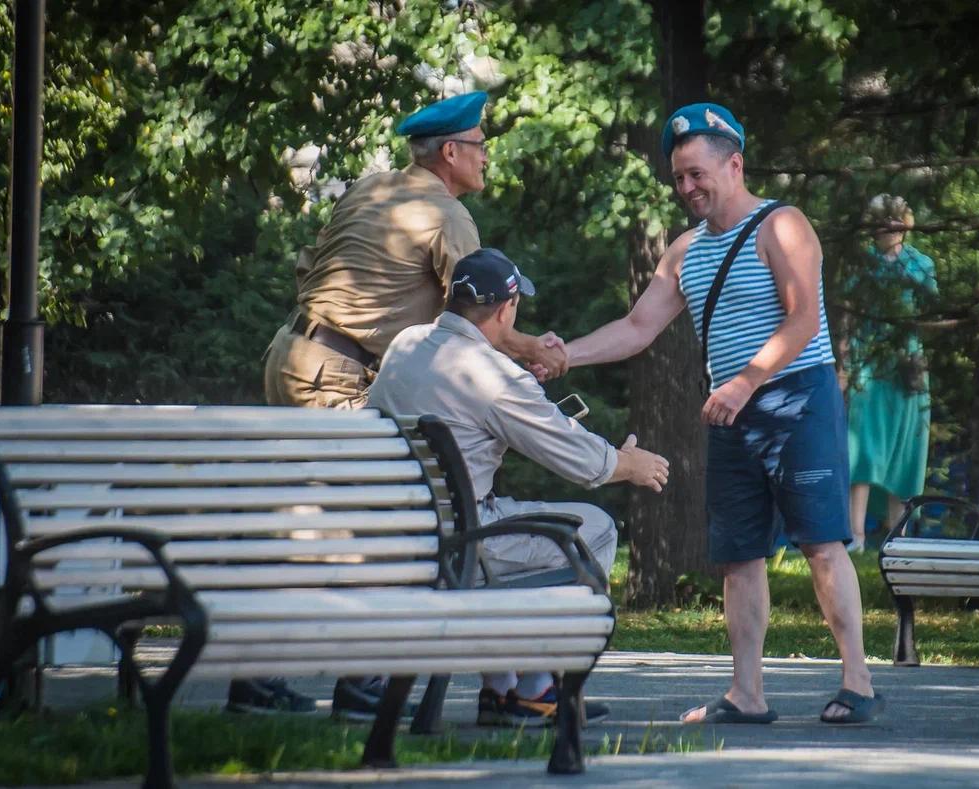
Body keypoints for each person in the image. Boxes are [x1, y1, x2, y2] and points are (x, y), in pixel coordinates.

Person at [232, 91, 567, 719]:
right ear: (451, 152)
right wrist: (533, 350)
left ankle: (256, 676)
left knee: (308, 516)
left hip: (292, 353)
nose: (488, 156)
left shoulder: (371, 188)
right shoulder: (447, 217)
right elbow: (474, 315)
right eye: (480, 144)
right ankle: (362, 685)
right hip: (338, 376)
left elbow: (317, 271)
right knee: (383, 522)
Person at [561, 102, 883, 724]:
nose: (687, 188)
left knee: (821, 542)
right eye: (678, 177)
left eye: (697, 173)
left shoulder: (781, 226)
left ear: (734, 164)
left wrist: (745, 381)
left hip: (796, 399)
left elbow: (803, 319)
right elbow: (636, 328)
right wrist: (561, 358)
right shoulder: (684, 251)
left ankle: (859, 682)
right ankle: (746, 695)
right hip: (733, 415)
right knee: (739, 557)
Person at [367, 247, 670, 726]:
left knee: (502, 516)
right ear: (507, 309)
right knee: (595, 529)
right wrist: (629, 463)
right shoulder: (495, 377)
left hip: (399, 534)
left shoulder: (406, 344)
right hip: (454, 543)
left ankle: (499, 686)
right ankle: (535, 690)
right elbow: (582, 462)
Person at [846, 194, 938, 552]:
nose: (888, 227)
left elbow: (930, 316)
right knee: (862, 447)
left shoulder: (921, 264)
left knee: (906, 449)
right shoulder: (861, 264)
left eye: (894, 219)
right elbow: (848, 316)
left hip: (909, 367)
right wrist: (844, 365)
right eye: (881, 220)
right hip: (866, 364)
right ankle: (855, 535)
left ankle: (897, 536)